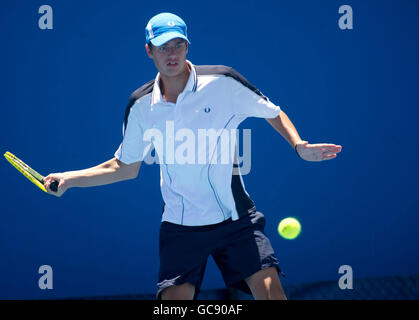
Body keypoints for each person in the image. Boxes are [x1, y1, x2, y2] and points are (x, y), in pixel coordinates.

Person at [43, 12, 342, 300]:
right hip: (181, 227)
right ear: (149, 51)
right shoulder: (141, 106)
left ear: (187, 46)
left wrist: (298, 145)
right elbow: (123, 167)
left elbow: (272, 112)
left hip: (236, 219)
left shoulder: (223, 82)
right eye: (163, 47)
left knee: (272, 295)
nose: (172, 53)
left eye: (178, 45)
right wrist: (68, 179)